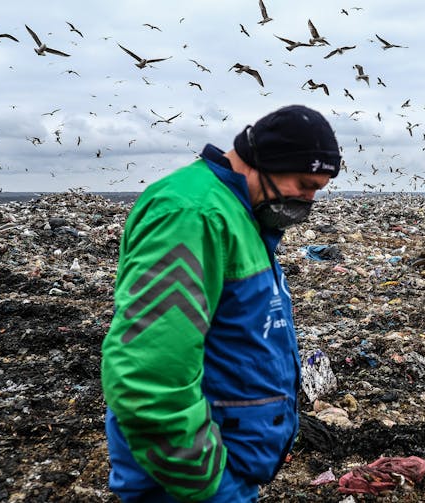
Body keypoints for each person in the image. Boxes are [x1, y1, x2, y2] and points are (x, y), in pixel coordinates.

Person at [101, 104, 341, 502]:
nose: (309, 200)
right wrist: (209, 482)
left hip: (225, 463)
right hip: (189, 483)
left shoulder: (241, 216)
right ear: (262, 162)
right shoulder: (193, 215)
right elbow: (148, 374)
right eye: (303, 183)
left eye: (318, 189)